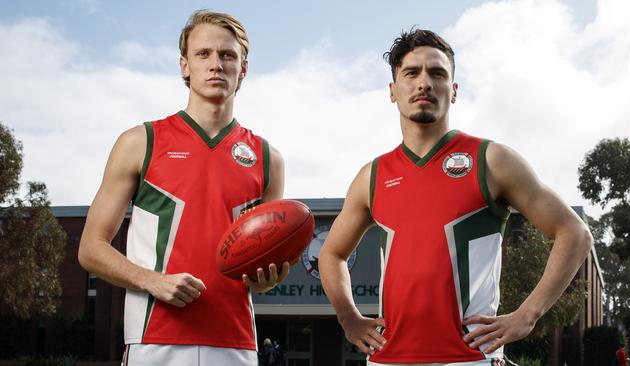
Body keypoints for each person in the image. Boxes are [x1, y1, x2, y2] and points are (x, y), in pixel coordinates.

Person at [319, 29, 593, 365]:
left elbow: (574, 232)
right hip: (388, 358)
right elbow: (331, 253)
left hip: (468, 357)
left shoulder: (491, 161)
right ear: (393, 91)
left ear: (454, 90)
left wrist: (528, 314)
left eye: (437, 73)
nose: (424, 83)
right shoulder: (371, 177)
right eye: (411, 73)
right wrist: (349, 317)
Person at [78, 10, 288, 366]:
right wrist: (151, 280)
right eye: (203, 54)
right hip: (154, 338)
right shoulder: (140, 142)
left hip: (235, 341)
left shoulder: (269, 159)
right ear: (184, 66)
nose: (216, 65)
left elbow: (260, 266)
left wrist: (266, 280)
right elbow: (90, 249)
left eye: (228, 55)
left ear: (244, 69)